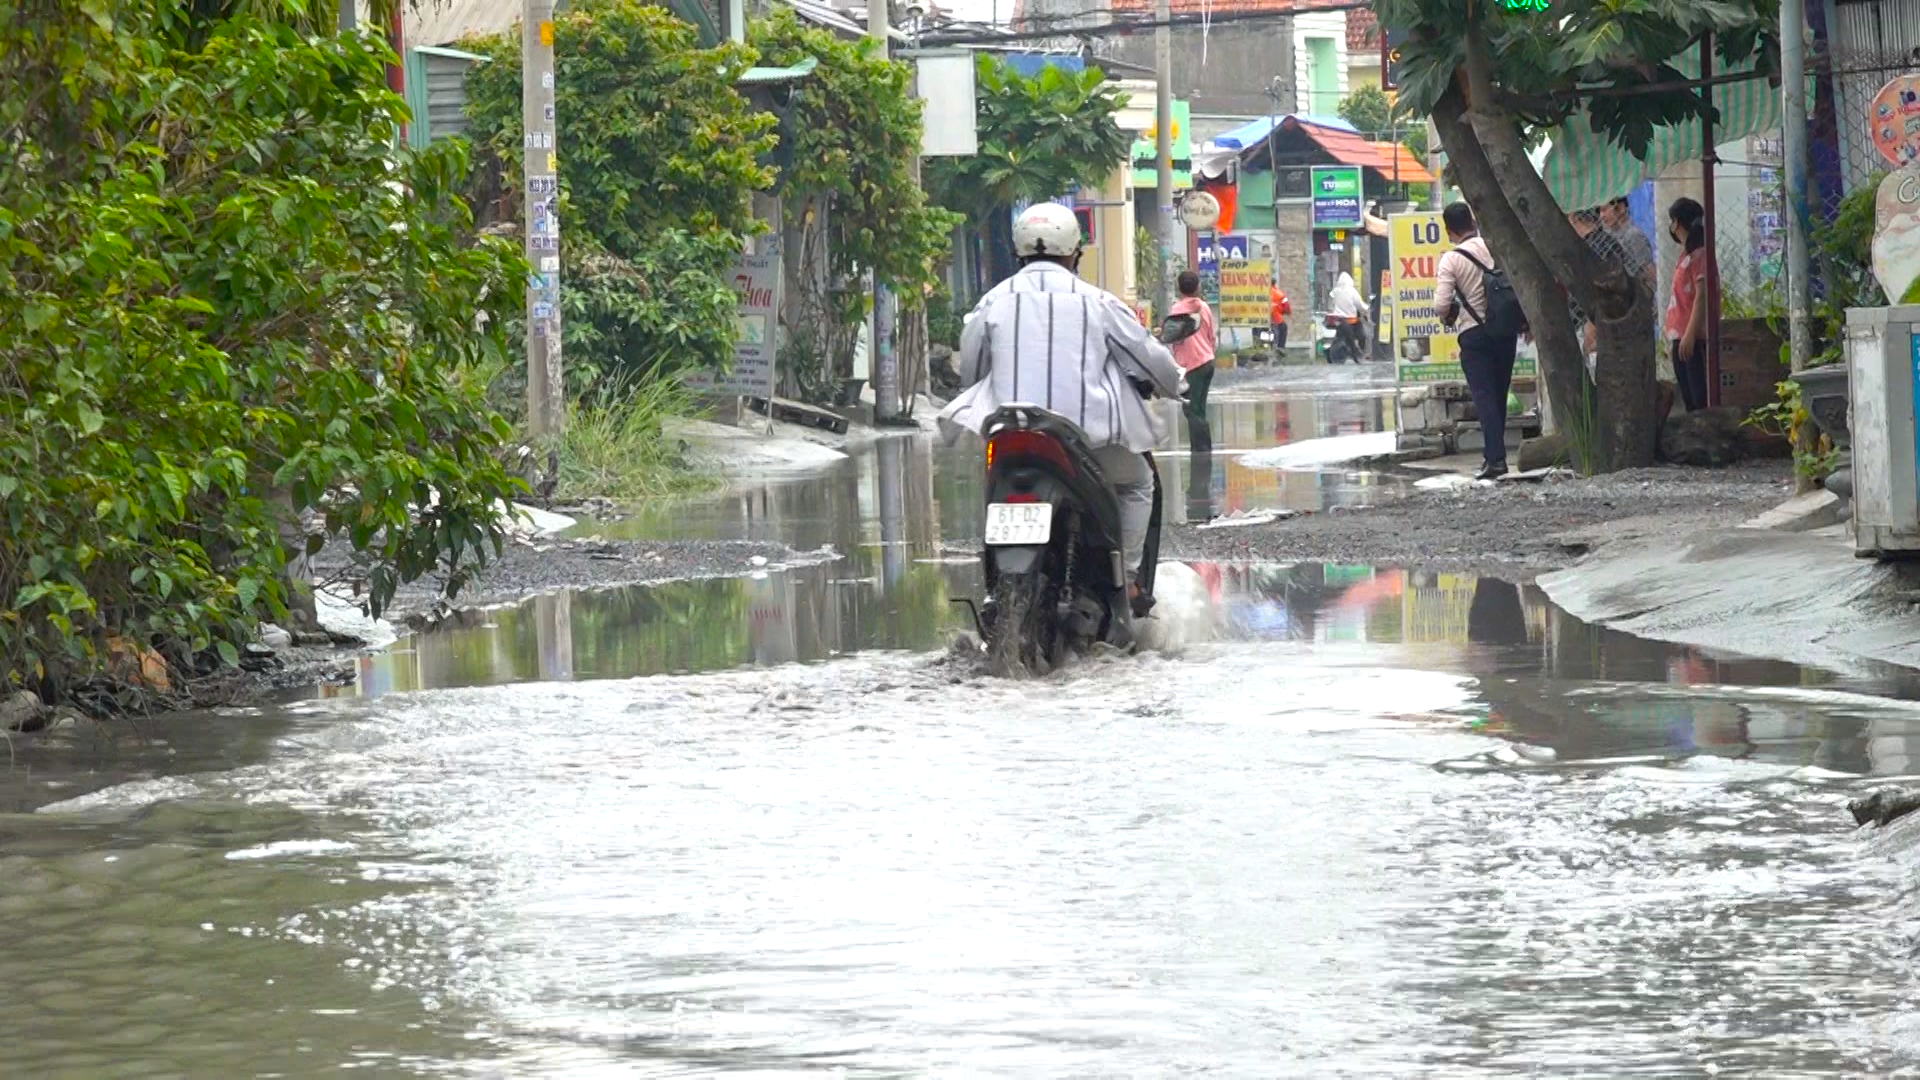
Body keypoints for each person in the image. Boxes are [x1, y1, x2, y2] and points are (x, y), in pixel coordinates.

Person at [939, 203, 1185, 585]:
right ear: (1075, 253)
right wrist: (1174, 385)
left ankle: (995, 589)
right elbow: (1152, 360)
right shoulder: (1098, 302)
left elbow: (972, 372)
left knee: (993, 491)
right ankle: (1130, 580)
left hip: (1010, 437)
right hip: (1086, 442)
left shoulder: (991, 303)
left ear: (1018, 251)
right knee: (1138, 483)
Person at [1434, 201, 1520, 481]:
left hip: (1473, 334)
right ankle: (1494, 456)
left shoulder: (1451, 259)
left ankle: (1495, 460)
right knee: (1498, 394)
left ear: (1449, 230)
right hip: (1505, 330)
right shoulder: (1494, 246)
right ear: (1472, 222)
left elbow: (1441, 305)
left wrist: (1451, 314)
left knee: (1484, 398)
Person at [1665, 197, 1715, 413]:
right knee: (1688, 399)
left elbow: (1701, 295)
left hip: (1692, 336)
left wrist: (1690, 334)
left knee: (1698, 400)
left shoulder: (1700, 255)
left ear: (1677, 222)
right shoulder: (1686, 255)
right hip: (1680, 336)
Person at [1165, 269, 1219, 452]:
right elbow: (1212, 336)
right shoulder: (1204, 307)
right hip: (1207, 362)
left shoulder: (1177, 310)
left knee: (1192, 410)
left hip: (1191, 366)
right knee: (1200, 407)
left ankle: (1201, 450)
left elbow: (1172, 337)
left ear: (1180, 289)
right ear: (1197, 287)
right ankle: (1204, 447)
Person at [1600, 195, 1658, 294]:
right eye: (1600, 211)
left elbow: (1650, 271)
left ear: (1621, 207)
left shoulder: (1632, 235)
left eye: (1605, 209)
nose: (1602, 216)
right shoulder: (1612, 238)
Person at [1328, 271, 1368, 363]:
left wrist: (1331, 309)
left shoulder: (1335, 291)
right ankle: (1358, 352)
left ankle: (1353, 351)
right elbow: (1360, 305)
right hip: (1351, 321)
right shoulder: (1352, 291)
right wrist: (1366, 309)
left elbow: (1330, 301)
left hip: (1337, 320)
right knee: (1362, 335)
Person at [1269, 281, 1292, 353]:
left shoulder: (1258, 291)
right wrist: (1288, 312)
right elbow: (1286, 306)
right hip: (1275, 318)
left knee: (1255, 329)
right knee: (1283, 327)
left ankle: (1256, 344)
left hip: (1260, 318)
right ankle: (1280, 348)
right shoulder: (1279, 294)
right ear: (1274, 283)